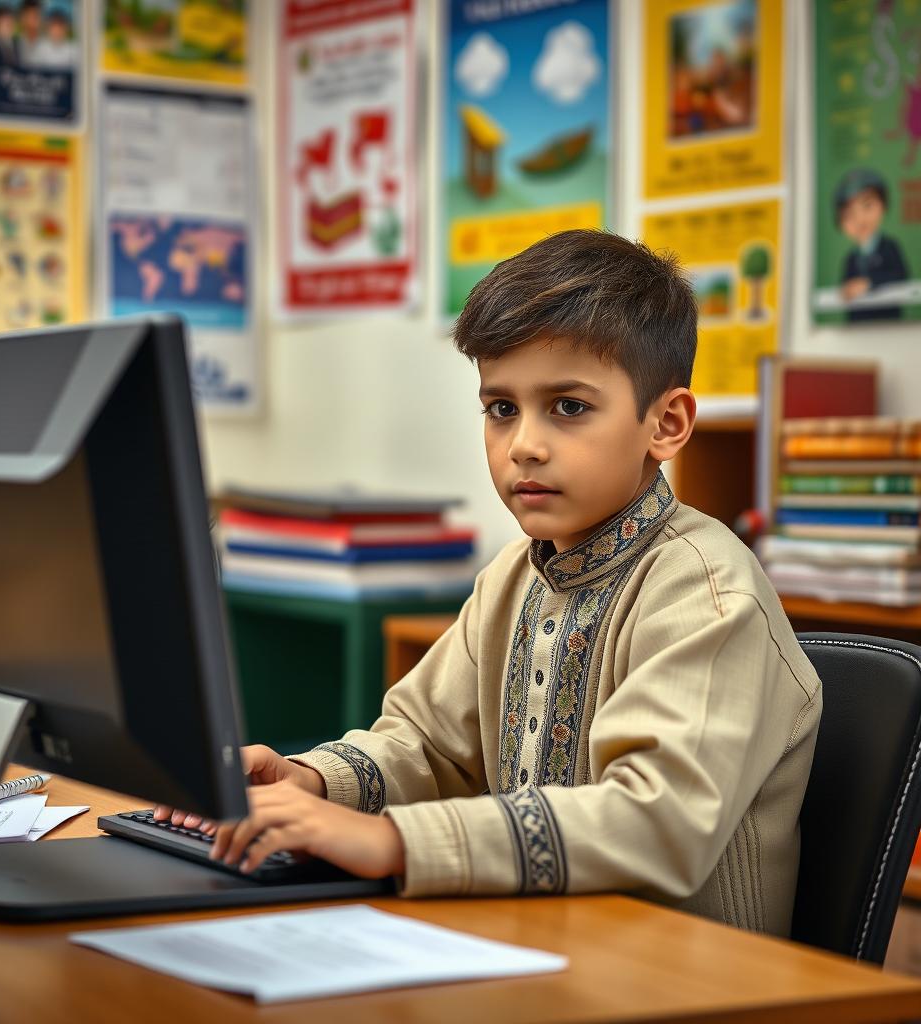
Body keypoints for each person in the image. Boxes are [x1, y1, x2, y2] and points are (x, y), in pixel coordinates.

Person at [157, 230, 822, 936]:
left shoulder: (706, 592)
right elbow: (427, 746)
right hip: (537, 946)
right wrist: (314, 782)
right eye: (501, 408)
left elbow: (653, 819)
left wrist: (395, 842)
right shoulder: (513, 577)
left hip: (692, 987)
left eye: (568, 406)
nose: (523, 444)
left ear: (666, 423)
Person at [836, 168, 910, 322]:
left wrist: (868, 283)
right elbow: (845, 286)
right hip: (858, 327)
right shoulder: (851, 259)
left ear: (882, 206)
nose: (860, 219)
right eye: (850, 214)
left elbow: (900, 275)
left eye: (867, 206)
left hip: (887, 323)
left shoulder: (889, 247)